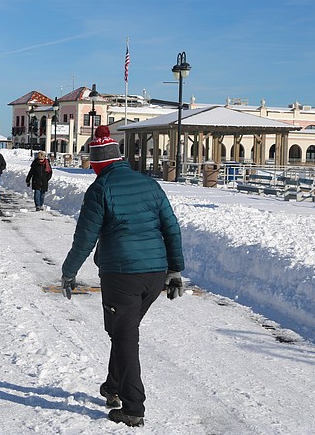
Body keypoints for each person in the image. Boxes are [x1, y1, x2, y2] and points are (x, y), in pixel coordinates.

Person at [60, 125, 184, 428]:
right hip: (154, 275)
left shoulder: (101, 189)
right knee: (123, 331)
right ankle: (112, 386)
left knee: (126, 337)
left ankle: (133, 407)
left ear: (98, 164)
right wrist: (175, 270)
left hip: (121, 275)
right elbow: (171, 227)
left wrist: (69, 272)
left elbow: (85, 238)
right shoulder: (149, 184)